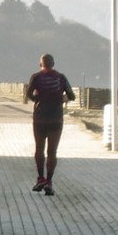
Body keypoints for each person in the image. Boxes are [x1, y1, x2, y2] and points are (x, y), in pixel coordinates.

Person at [22, 51, 73, 194]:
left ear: (40, 64)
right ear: (53, 64)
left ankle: (40, 178)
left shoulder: (36, 77)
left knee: (39, 149)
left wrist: (38, 99)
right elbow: (71, 95)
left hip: (39, 118)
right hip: (56, 119)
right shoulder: (61, 78)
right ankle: (49, 182)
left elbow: (29, 94)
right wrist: (59, 99)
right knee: (52, 152)